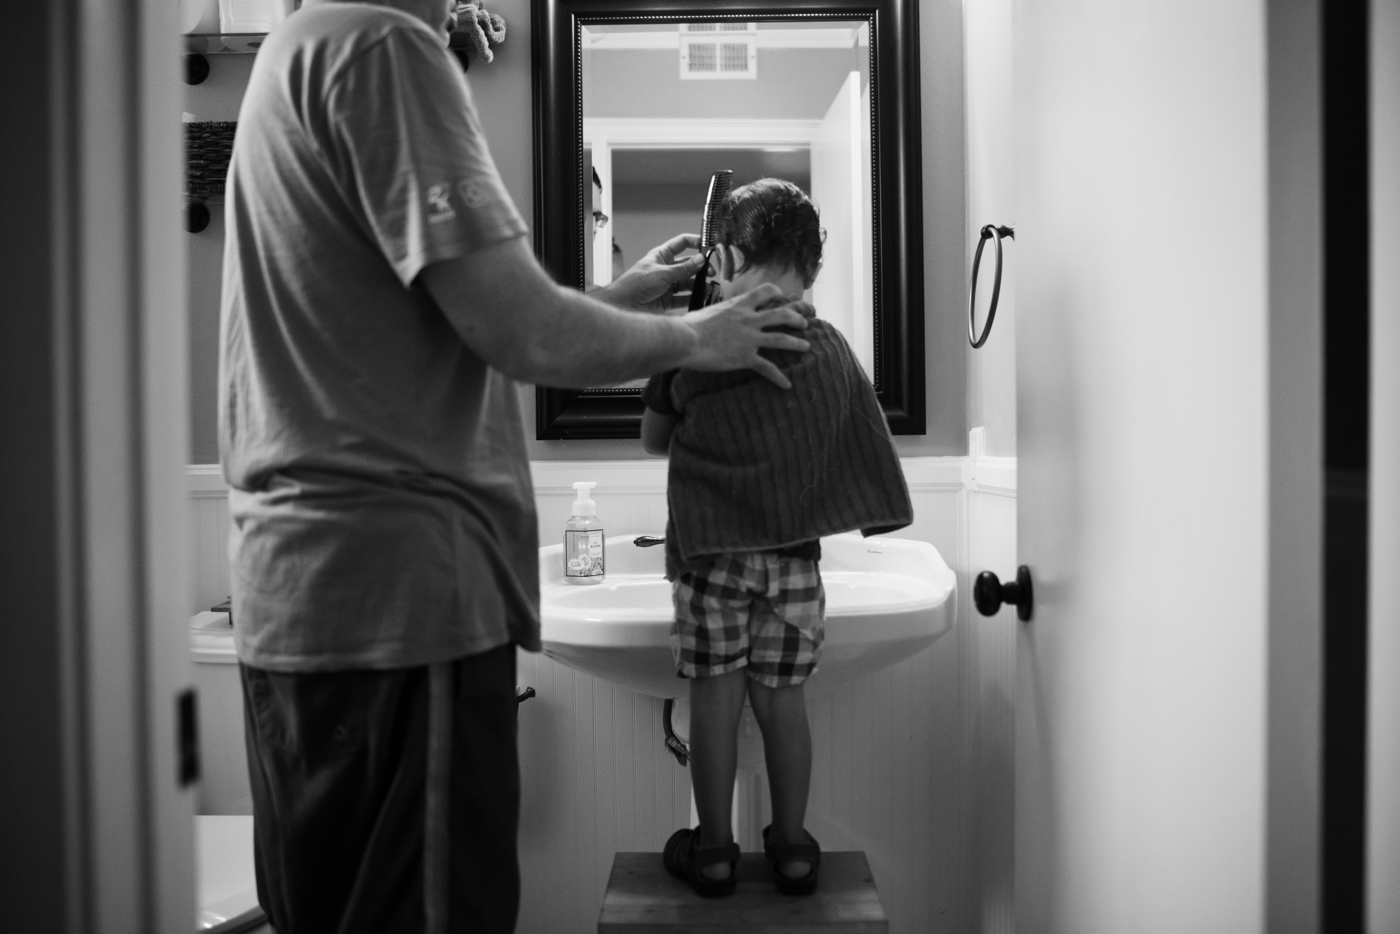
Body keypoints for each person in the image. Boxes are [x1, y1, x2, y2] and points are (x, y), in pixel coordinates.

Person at [218, 0, 813, 931]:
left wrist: (616, 299)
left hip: (315, 604)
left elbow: (458, 323)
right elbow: (519, 328)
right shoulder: (383, 46)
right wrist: (694, 336)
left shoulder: (298, 52)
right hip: (401, 611)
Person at [640, 179, 912, 897]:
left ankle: (718, 850)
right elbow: (856, 437)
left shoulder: (695, 342)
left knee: (714, 702)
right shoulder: (831, 350)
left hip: (708, 560)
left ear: (723, 256)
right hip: (794, 566)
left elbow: (652, 441)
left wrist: (682, 354)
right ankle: (792, 847)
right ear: (813, 267)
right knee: (784, 705)